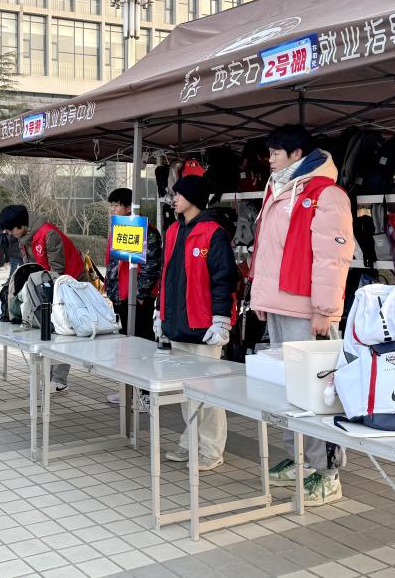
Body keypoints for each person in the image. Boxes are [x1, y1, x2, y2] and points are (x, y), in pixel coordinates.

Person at [251, 124, 354, 506]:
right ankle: (300, 459)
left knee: (317, 392)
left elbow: (333, 257)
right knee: (289, 390)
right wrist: (260, 298)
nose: (270, 159)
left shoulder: (326, 193)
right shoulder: (277, 189)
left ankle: (327, 472)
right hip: (280, 302)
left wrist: (325, 310)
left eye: (275, 153)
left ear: (296, 154)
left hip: (306, 307)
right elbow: (267, 250)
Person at [154, 175, 238, 471]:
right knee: (186, 389)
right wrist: (160, 311)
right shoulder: (173, 230)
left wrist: (221, 320)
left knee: (209, 392)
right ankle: (190, 441)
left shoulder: (214, 233)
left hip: (205, 327)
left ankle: (211, 450)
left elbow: (224, 280)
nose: (174, 199)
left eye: (178, 194)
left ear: (193, 198)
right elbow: (166, 276)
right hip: (178, 323)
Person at [0, 204, 87, 392]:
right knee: (46, 330)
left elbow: (57, 272)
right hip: (47, 284)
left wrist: (43, 298)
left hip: (69, 283)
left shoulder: (48, 234)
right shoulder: (24, 238)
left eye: (11, 230)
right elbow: (29, 268)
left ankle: (59, 380)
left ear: (21, 225)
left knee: (62, 331)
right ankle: (48, 376)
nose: (10, 234)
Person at [105, 188, 163, 337]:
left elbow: (152, 267)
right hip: (119, 296)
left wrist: (140, 295)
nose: (112, 209)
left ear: (129, 207)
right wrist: (111, 290)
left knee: (140, 338)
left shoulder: (148, 231)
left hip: (138, 298)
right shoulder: (117, 228)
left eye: (116, 205)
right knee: (122, 339)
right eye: (112, 205)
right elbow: (112, 263)